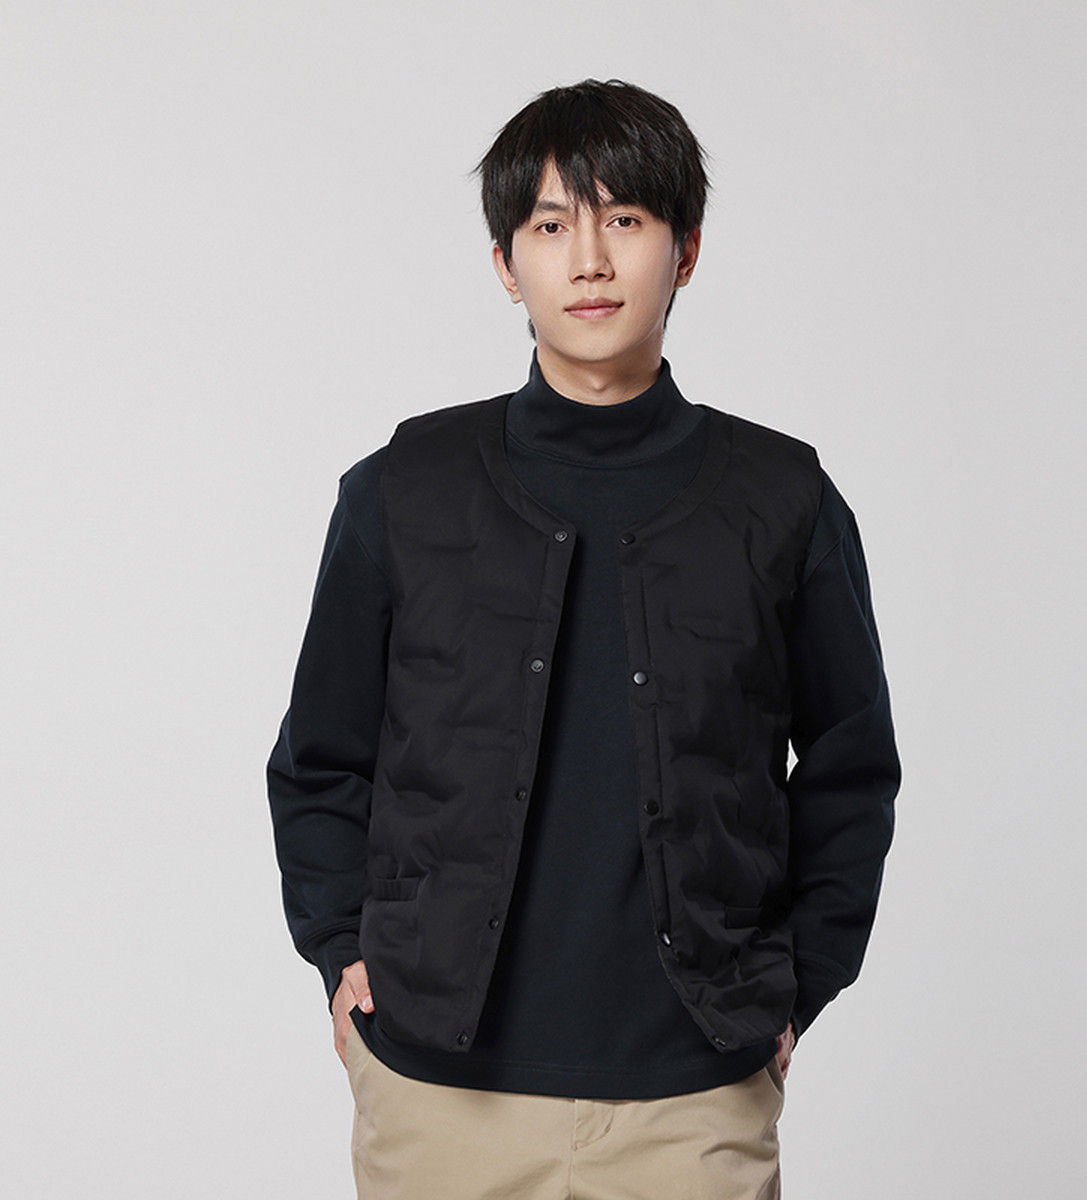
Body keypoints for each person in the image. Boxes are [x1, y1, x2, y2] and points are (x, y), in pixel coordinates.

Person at [267, 78, 899, 1200]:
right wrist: (339, 950)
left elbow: (851, 771)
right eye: (552, 226)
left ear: (685, 250)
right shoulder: (402, 490)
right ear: (507, 264)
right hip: (437, 1095)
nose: (591, 261)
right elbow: (320, 757)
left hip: (695, 1097)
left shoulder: (783, 499)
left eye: (626, 220)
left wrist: (795, 985)